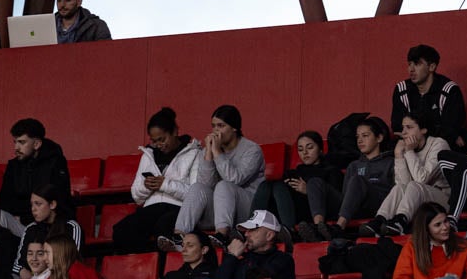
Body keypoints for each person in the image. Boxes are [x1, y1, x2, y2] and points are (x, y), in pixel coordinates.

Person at [113, 108, 202, 253]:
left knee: (163, 227)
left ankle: (162, 264)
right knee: (121, 230)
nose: (159, 145)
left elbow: (196, 194)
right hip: (151, 208)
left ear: (174, 132)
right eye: (154, 141)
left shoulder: (194, 153)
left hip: (178, 208)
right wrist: (147, 186)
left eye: (162, 139)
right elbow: (136, 195)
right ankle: (144, 264)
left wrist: (164, 184)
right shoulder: (148, 155)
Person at [183, 105, 265, 246]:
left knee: (224, 185)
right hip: (220, 210)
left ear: (234, 128)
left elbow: (234, 179)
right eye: (213, 126)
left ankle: (221, 235)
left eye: (221, 126)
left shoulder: (252, 150)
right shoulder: (210, 150)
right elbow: (205, 185)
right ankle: (180, 236)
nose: (216, 131)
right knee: (197, 188)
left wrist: (217, 152)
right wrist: (209, 154)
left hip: (247, 210)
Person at [362, 111, 449, 237]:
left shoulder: (439, 144)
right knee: (399, 188)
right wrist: (399, 155)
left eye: (409, 127)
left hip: (443, 198)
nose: (404, 132)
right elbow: (403, 184)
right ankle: (380, 220)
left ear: (423, 130)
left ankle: (401, 221)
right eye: (403, 128)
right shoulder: (405, 149)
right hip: (418, 199)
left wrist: (409, 151)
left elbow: (422, 179)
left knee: (414, 185)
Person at [254, 130, 342, 238]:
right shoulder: (293, 173)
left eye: (310, 147)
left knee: (278, 186)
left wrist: (308, 191)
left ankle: (289, 232)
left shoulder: (331, 171)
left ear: (320, 149)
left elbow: (336, 200)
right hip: (293, 210)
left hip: (318, 212)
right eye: (300, 149)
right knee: (267, 186)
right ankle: (253, 228)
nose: (305, 152)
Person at [0, 118, 72, 235]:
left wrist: (23, 216)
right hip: (20, 224)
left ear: (37, 144)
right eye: (15, 142)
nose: (16, 148)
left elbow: (56, 202)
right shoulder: (13, 166)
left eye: (22, 142)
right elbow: (5, 201)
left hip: (48, 227)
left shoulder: (55, 163)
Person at [391, 44, 467, 154]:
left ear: (432, 67)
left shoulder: (449, 90)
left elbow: (451, 130)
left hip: (439, 146)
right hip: (410, 144)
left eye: (417, 64)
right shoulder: (402, 89)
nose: (411, 69)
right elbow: (397, 127)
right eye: (409, 64)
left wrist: (417, 133)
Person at [332, 116, 395, 234]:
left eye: (365, 136)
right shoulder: (353, 166)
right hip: (355, 209)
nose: (360, 141)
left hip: (380, 209)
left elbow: (397, 193)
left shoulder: (391, 162)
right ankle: (318, 227)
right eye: (357, 137)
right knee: (315, 182)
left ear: (379, 138)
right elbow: (345, 196)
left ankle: (339, 227)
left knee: (358, 180)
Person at [12, 184, 82, 279]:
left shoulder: (71, 227)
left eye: (38, 204)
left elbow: (74, 262)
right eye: (32, 204)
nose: (33, 209)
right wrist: (21, 270)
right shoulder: (31, 229)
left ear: (52, 204)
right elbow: (18, 263)